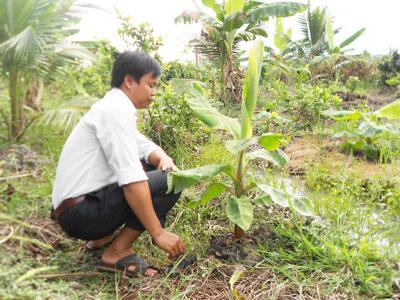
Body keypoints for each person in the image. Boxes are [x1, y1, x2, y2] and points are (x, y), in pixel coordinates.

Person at [51, 51, 185, 277]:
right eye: (150, 85)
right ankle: (117, 252)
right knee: (172, 181)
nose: (154, 92)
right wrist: (158, 233)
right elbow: (132, 181)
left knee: (158, 168)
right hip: (80, 214)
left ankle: (101, 238)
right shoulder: (114, 111)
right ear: (129, 81)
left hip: (75, 207)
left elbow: (141, 145)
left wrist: (163, 158)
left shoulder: (113, 107)